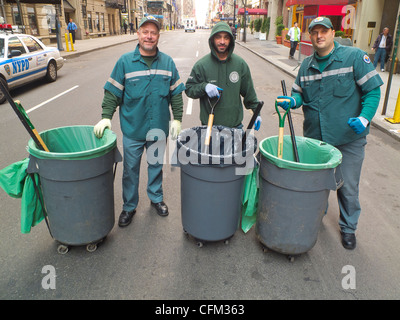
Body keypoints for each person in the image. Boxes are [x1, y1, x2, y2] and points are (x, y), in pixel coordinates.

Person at [276, 17, 383, 250]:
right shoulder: (305, 66)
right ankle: (315, 215)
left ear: (333, 33)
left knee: (348, 188)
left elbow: (372, 91)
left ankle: (348, 228)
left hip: (348, 140)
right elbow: (299, 95)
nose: (319, 36)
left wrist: (364, 118)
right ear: (310, 36)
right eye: (314, 32)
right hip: (316, 142)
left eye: (324, 31)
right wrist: (291, 101)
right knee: (316, 184)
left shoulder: (353, 57)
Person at [93, 16, 185, 227]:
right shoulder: (125, 62)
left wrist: (177, 119)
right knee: (130, 171)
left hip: (158, 129)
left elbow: (176, 94)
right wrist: (106, 117)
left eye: (153, 33)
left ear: (158, 36)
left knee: (155, 166)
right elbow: (112, 93)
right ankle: (129, 207)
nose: (149, 36)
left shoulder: (168, 62)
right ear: (138, 34)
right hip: (133, 130)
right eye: (145, 32)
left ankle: (156, 198)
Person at [185, 21, 261, 131]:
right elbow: (189, 89)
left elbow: (249, 93)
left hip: (235, 128)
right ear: (212, 40)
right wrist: (204, 87)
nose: (222, 42)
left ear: (230, 40)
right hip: (209, 128)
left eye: (226, 38)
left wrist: (257, 112)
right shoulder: (202, 65)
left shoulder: (240, 64)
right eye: (218, 37)